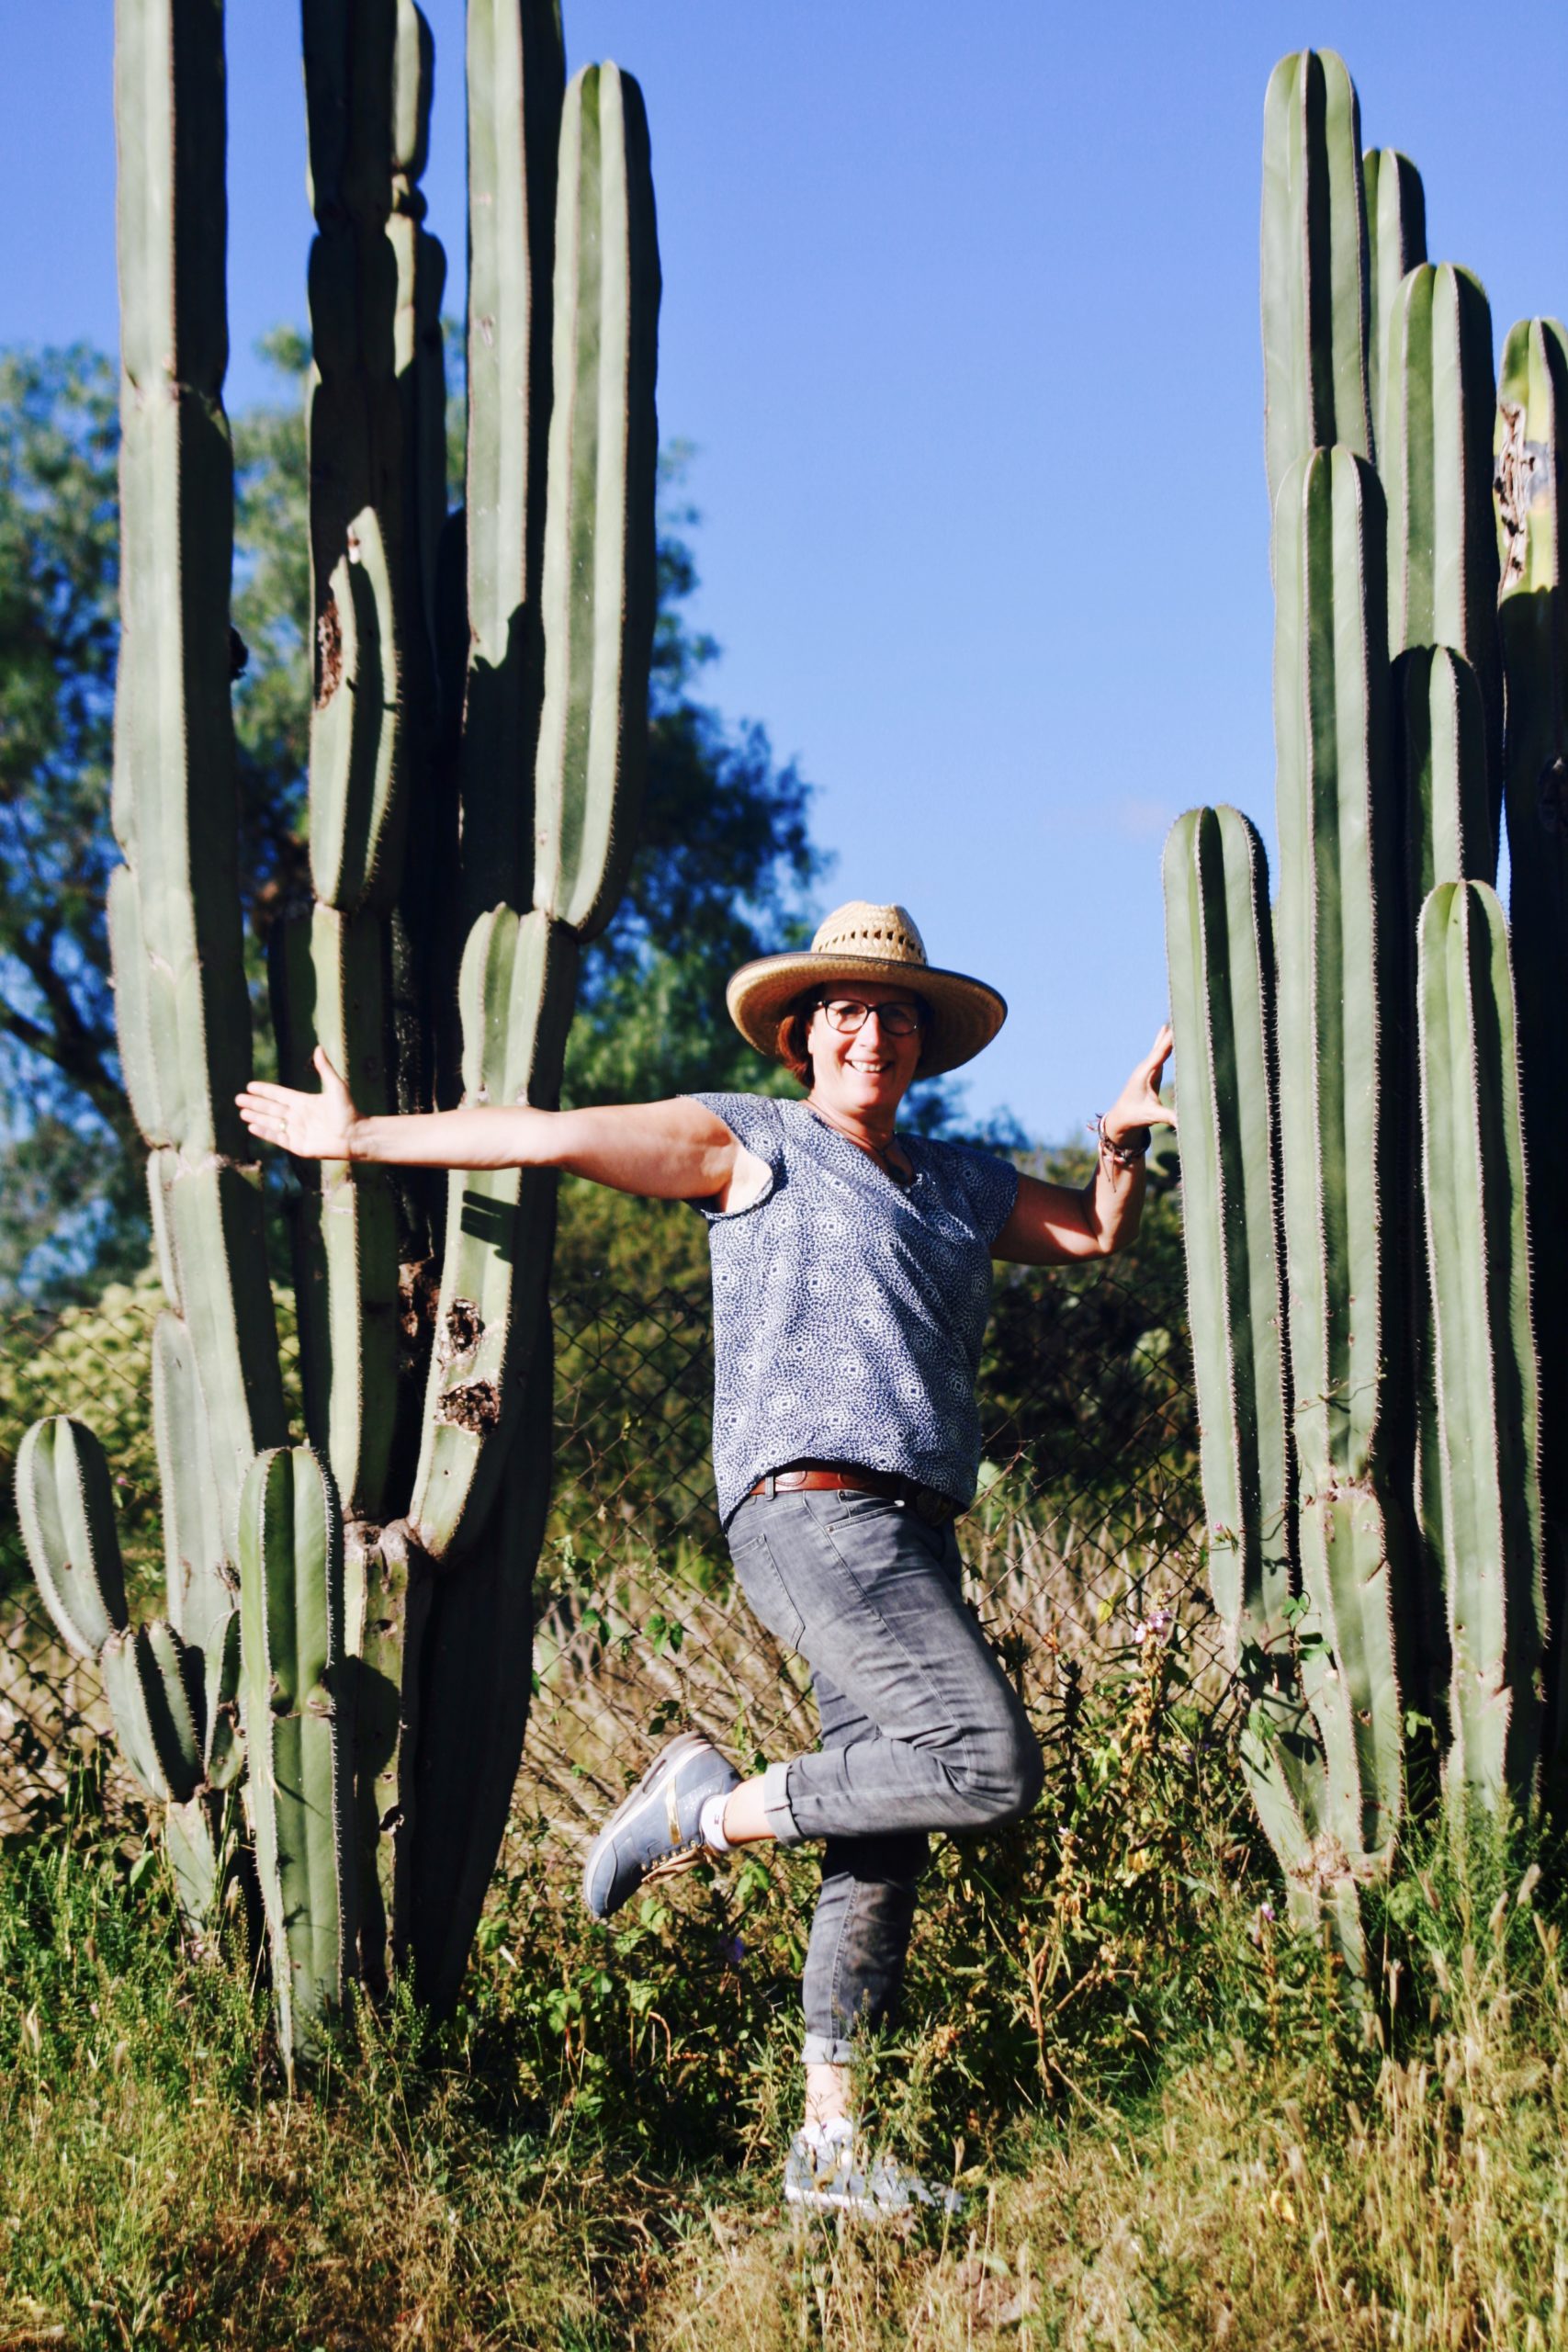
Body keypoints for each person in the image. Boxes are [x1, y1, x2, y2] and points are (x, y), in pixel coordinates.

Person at [237, 898, 1172, 2216]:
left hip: (915, 1533)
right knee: (986, 1764)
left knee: (890, 1829)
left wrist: (1120, 1149)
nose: (875, 1032)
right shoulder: (757, 1143)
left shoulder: (959, 1181)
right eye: (848, 1010)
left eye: (899, 1014)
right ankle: (699, 1813)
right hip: (812, 1514)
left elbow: (1090, 1234)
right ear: (802, 1036)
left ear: (925, 1044)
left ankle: (831, 2150)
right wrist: (359, 1137)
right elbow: (551, 1140)